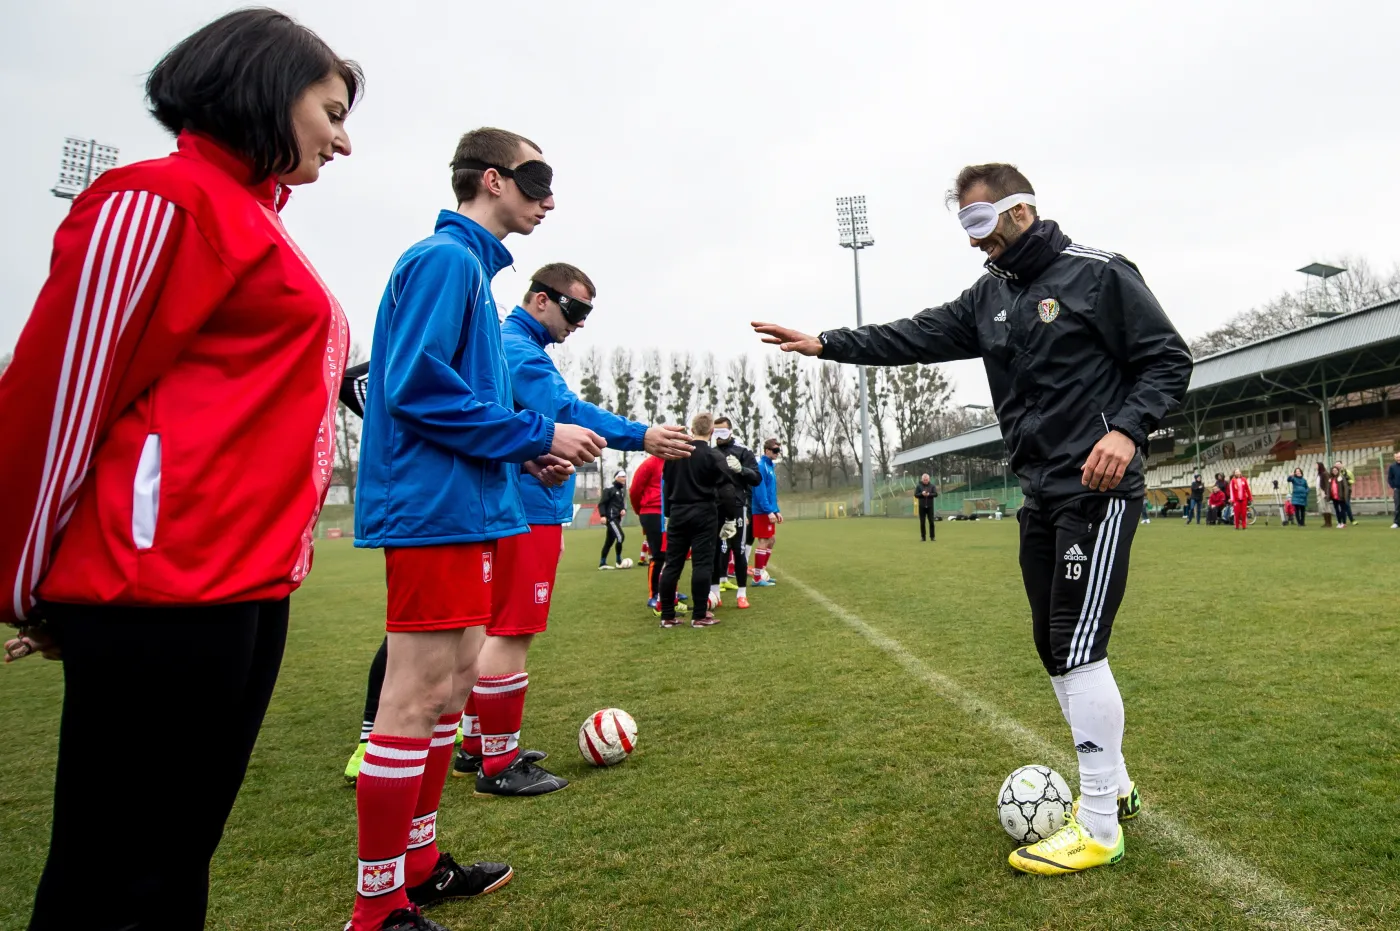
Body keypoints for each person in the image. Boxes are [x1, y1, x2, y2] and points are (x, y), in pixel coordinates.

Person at [0, 12, 360, 929]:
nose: (343, 139)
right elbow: (59, 396)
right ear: (267, 88)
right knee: (113, 877)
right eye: (331, 108)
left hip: (241, 586)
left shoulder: (254, 218)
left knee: (170, 866)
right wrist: (28, 582)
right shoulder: (160, 200)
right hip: (159, 591)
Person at [754, 161, 1192, 875]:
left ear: (1021, 209)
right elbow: (913, 335)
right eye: (965, 226)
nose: (972, 241)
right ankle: (1113, 780)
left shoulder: (1100, 274)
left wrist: (1126, 430)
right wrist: (827, 342)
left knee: (1079, 646)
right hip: (1039, 492)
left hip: (1098, 489)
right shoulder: (989, 295)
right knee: (1053, 646)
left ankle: (1102, 824)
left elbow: (1168, 359)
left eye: (980, 222)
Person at [350, 126, 606, 931]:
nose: (549, 200)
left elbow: (472, 408)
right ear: (492, 179)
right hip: (432, 512)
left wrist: (522, 460)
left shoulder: (472, 276)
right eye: (537, 183)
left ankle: (418, 865)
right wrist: (535, 437)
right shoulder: (445, 261)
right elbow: (417, 389)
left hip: (470, 504)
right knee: (416, 695)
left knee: (452, 684)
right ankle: (375, 905)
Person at [658, 412, 738, 628]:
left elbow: (666, 486)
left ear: (691, 430)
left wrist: (667, 515)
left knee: (672, 564)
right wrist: (730, 518)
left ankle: (667, 615)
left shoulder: (675, 455)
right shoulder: (714, 457)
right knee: (702, 563)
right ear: (711, 432)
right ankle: (699, 615)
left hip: (678, 512)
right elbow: (727, 490)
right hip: (704, 512)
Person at [711, 416, 762, 609]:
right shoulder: (710, 453)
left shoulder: (743, 452)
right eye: (715, 432)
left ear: (730, 431)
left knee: (739, 551)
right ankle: (715, 593)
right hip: (715, 508)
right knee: (716, 550)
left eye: (723, 431)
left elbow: (757, 478)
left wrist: (742, 470)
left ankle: (742, 593)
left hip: (738, 507)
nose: (719, 436)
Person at [751, 439, 784, 585]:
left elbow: (772, 492)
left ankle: (762, 573)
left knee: (771, 539)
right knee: (764, 540)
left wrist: (776, 510)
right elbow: (760, 491)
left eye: (778, 451)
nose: (777, 453)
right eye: (775, 451)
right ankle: (757, 577)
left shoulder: (770, 467)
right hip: (761, 510)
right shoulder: (761, 466)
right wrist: (768, 511)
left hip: (768, 509)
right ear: (767, 450)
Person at [598, 470, 629, 569]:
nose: (625, 478)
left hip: (617, 518)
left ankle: (602, 563)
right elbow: (602, 503)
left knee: (609, 541)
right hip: (611, 518)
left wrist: (623, 509)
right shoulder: (609, 490)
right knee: (620, 537)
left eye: (625, 476)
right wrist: (602, 515)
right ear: (617, 478)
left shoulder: (621, 491)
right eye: (622, 476)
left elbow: (620, 505)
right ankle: (619, 561)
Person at [915, 473, 939, 540]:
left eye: (927, 480)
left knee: (931, 521)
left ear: (929, 479)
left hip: (930, 506)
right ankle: (923, 537)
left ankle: (932, 536)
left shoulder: (932, 486)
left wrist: (929, 494)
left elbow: (935, 494)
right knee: (922, 522)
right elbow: (916, 495)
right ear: (922, 479)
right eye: (924, 480)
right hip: (921, 506)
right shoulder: (919, 486)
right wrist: (921, 494)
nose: (925, 481)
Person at [1332, 460, 1357, 525]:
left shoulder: (1348, 472)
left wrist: (1346, 481)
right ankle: (1341, 520)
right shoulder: (1334, 473)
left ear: (1342, 465)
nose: (1337, 465)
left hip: (1346, 491)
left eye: (1339, 464)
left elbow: (1353, 481)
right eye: (1336, 464)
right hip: (1337, 492)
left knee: (1347, 505)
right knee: (1339, 506)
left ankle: (1352, 520)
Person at [1388, 451, 1400, 528]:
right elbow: (1390, 478)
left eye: (1399, 457)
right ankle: (1396, 522)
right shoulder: (1392, 467)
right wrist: (1394, 487)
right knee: (1398, 506)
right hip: (1398, 489)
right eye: (1396, 457)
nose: (1398, 458)